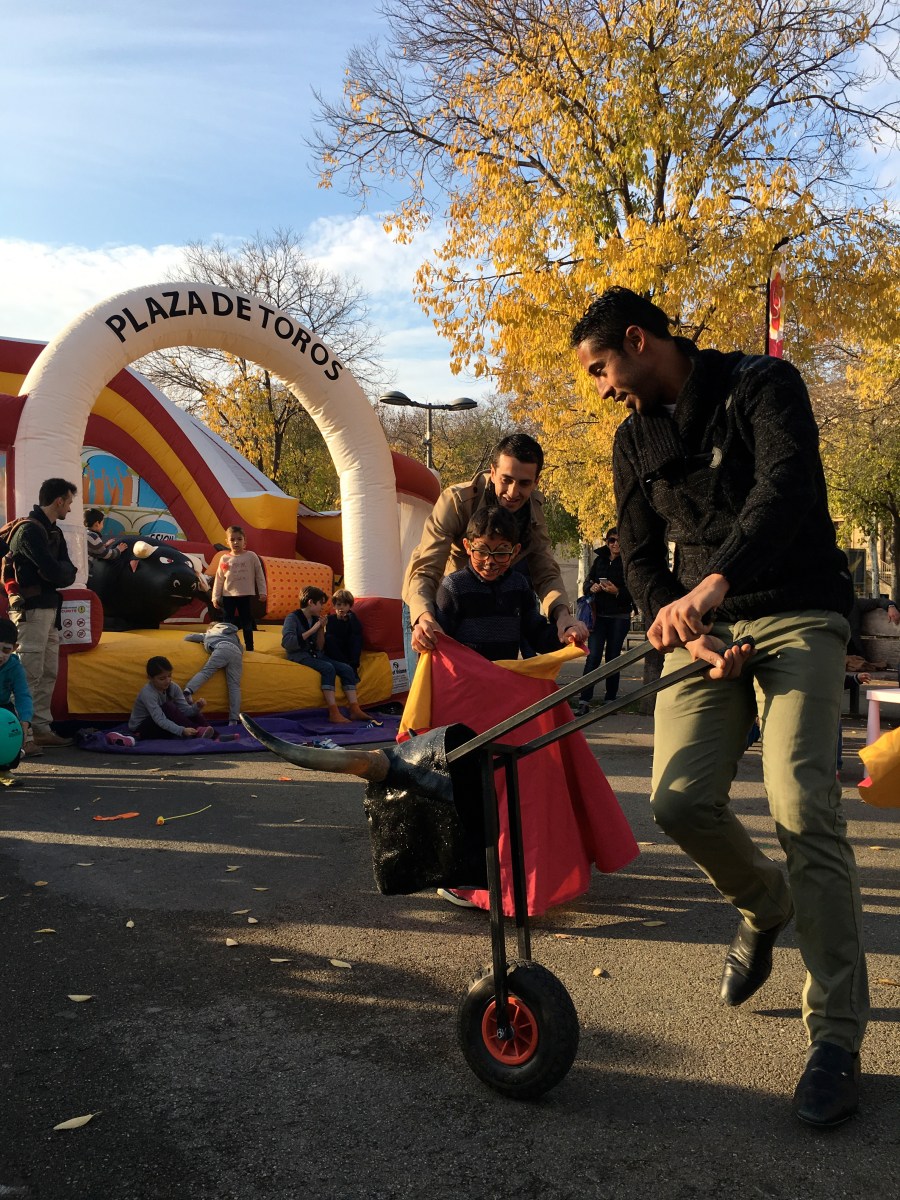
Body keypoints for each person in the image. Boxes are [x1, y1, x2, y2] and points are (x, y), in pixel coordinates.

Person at [571, 285, 867, 1128]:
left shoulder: (763, 384)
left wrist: (713, 583)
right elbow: (637, 558)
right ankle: (764, 902)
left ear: (638, 341)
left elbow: (787, 490)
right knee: (678, 800)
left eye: (601, 368)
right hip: (708, 632)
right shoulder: (633, 440)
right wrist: (682, 625)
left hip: (797, 610)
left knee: (801, 802)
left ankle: (835, 1035)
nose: (601, 388)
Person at [403, 434, 588, 664]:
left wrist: (563, 617)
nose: (512, 493)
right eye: (506, 480)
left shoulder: (533, 510)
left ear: (536, 482)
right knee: (431, 678)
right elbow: (426, 569)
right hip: (440, 602)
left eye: (524, 483)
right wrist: (424, 617)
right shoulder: (456, 501)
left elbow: (546, 571)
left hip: (492, 605)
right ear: (492, 472)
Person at [434, 506, 561, 661]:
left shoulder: (518, 585)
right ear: (467, 546)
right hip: (465, 675)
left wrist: (564, 635)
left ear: (515, 551)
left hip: (503, 675)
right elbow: (439, 643)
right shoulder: (454, 587)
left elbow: (535, 633)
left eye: (501, 553)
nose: (490, 561)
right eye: (482, 551)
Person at [7, 477, 78, 752]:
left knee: (48, 672)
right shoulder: (28, 531)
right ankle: (20, 736)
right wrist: (57, 573)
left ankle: (40, 729)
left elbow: (68, 572)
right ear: (59, 501)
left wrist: (57, 572)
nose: (69, 508)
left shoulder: (53, 531)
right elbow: (55, 571)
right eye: (69, 502)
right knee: (28, 673)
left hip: (49, 608)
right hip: (31, 609)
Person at [282, 587, 370, 723]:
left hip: (315, 654)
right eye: (320, 603)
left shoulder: (315, 618)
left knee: (346, 669)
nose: (322, 607)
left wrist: (321, 630)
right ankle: (333, 712)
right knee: (328, 668)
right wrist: (313, 629)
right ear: (311, 602)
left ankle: (355, 709)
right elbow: (288, 643)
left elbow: (319, 646)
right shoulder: (292, 618)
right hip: (300, 655)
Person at [574, 526, 635, 714]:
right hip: (598, 616)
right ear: (607, 542)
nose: (615, 544)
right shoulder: (599, 560)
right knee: (593, 656)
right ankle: (584, 700)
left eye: (618, 540)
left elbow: (634, 591)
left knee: (612, 657)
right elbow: (587, 582)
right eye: (611, 540)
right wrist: (591, 587)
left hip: (619, 616)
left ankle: (610, 700)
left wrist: (617, 592)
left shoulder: (629, 561)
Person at [128, 655, 215, 740]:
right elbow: (160, 719)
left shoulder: (173, 687)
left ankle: (214, 735)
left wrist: (197, 707)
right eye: (162, 679)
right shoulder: (148, 693)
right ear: (150, 678)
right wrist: (182, 730)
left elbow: (185, 711)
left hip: (163, 722)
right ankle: (198, 731)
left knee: (194, 713)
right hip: (142, 728)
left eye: (169, 676)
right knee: (168, 707)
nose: (167, 681)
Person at [211, 526, 267, 652]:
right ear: (227, 542)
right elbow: (219, 579)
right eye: (232, 540)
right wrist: (215, 597)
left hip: (245, 595)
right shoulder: (224, 558)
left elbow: (259, 575)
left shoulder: (251, 556)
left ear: (244, 541)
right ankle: (226, 646)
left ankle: (250, 647)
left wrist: (262, 592)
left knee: (247, 622)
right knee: (227, 624)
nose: (236, 542)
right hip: (228, 596)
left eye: (239, 539)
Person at [183, 621, 244, 725]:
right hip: (236, 653)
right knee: (234, 686)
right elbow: (241, 648)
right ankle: (233, 719)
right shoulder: (233, 634)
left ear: (210, 628)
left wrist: (204, 640)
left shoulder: (211, 632)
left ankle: (188, 690)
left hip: (221, 648)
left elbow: (189, 637)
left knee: (206, 672)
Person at [0, 616, 33, 786]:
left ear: (15, 648)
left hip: (3, 709)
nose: (0, 656)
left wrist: (24, 721)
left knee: (12, 730)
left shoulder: (14, 667)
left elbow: (22, 695)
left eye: (5, 650)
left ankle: (4, 770)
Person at [324, 588, 364, 673]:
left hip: (348, 649)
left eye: (345, 605)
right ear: (334, 606)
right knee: (328, 637)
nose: (341, 607)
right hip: (336, 651)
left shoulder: (352, 618)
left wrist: (350, 617)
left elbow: (357, 631)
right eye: (338, 605)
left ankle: (353, 666)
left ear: (349, 606)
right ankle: (346, 666)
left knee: (356, 637)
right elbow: (330, 637)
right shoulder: (330, 619)